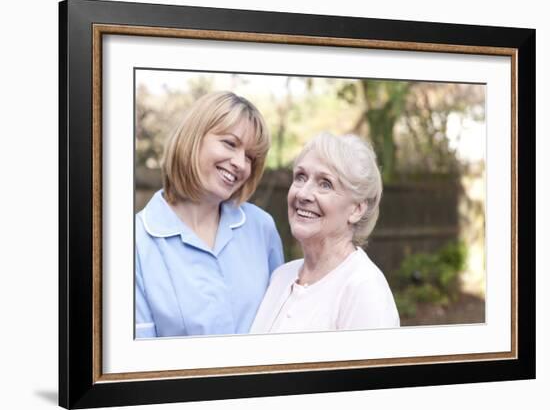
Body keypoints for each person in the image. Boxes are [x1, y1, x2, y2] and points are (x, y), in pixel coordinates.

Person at [135, 91, 284, 338]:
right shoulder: (135, 244)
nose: (240, 163)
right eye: (230, 143)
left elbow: (281, 325)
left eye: (250, 157)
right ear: (193, 138)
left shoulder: (261, 228)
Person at [251, 133, 399, 333]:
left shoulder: (364, 289)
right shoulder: (281, 277)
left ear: (357, 209)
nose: (303, 194)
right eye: (300, 177)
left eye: (325, 184)